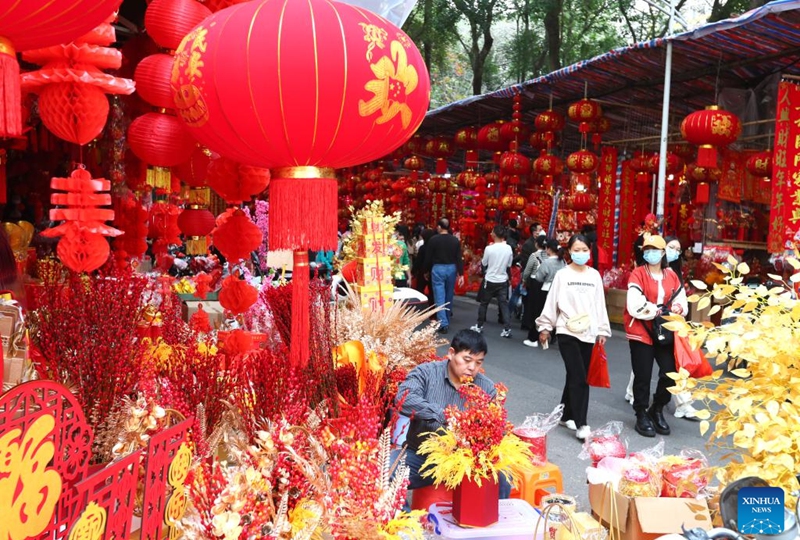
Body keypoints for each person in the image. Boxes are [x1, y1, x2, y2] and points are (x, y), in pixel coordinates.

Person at [395, 329, 512, 497]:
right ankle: (406, 522)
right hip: (422, 457)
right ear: (451, 353)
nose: (472, 368)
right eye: (467, 360)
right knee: (385, 475)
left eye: (478, 362)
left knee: (502, 479)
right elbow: (403, 398)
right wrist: (445, 415)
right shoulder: (426, 373)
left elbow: (498, 429)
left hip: (466, 460)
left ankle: (489, 521)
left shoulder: (486, 388)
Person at [536, 234, 611, 440]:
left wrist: (602, 330)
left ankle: (566, 414)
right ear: (569, 251)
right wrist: (545, 327)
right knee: (580, 376)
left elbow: (599, 304)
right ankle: (581, 424)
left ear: (590, 251)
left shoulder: (594, 275)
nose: (580, 254)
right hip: (566, 330)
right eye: (576, 250)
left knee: (575, 374)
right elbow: (552, 302)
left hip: (588, 332)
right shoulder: (562, 275)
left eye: (584, 250)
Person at [625, 234, 688, 438]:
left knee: (670, 372)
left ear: (663, 253)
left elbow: (682, 303)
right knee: (642, 374)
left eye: (655, 250)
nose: (650, 253)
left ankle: (658, 407)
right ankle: (641, 412)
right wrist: (658, 311)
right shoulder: (638, 274)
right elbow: (634, 304)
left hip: (665, 331)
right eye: (647, 250)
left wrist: (672, 310)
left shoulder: (672, 276)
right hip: (641, 330)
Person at [471, 225, 513, 338]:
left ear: (495, 234)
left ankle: (479, 326)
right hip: (502, 279)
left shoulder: (489, 249)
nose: (491, 234)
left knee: (484, 303)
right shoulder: (508, 248)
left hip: (490, 279)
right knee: (503, 304)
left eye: (492, 232)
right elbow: (509, 264)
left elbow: (484, 263)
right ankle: (507, 328)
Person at [424, 219, 464, 334]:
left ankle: (443, 322)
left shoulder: (433, 240)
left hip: (438, 268)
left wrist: (426, 270)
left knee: (439, 295)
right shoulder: (455, 240)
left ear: (440, 227)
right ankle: (446, 317)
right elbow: (458, 258)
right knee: (449, 294)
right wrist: (461, 274)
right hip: (451, 268)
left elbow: (428, 257)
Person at [523, 238, 565, 347]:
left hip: (546, 289)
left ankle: (533, 338)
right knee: (556, 313)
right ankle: (553, 335)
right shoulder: (563, 262)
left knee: (541, 314)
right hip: (560, 290)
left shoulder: (547, 262)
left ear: (548, 249)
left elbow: (539, 277)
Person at [520, 235, 547, 332]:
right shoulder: (549, 256)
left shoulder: (534, 255)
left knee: (531, 304)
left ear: (536, 244)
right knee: (542, 305)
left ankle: (529, 324)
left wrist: (524, 279)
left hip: (534, 281)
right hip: (546, 282)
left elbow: (527, 270)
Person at [413, 229, 435, 302]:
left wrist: (413, 271)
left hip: (423, 271)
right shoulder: (434, 247)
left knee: (420, 290)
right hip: (433, 271)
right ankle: (433, 309)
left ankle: (421, 307)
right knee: (432, 292)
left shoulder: (423, 248)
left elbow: (418, 261)